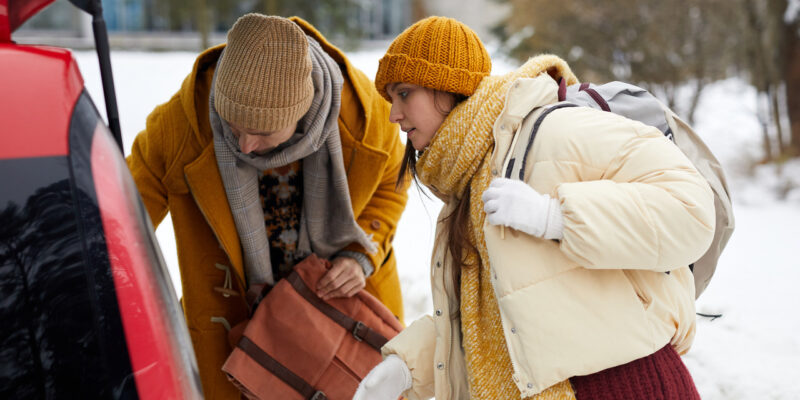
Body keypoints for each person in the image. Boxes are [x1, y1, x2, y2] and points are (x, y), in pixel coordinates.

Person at [353, 16, 715, 400]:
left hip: (619, 387)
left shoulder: (554, 133)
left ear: (448, 87)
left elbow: (690, 210)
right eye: (391, 99)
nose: (393, 114)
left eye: (404, 93)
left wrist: (556, 218)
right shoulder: (466, 183)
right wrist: (406, 368)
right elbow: (494, 321)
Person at [126, 14, 408, 399]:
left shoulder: (365, 119)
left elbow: (392, 186)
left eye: (261, 132)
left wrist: (360, 253)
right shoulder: (179, 128)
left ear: (300, 115)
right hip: (234, 334)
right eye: (233, 127)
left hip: (338, 324)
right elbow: (119, 219)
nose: (243, 146)